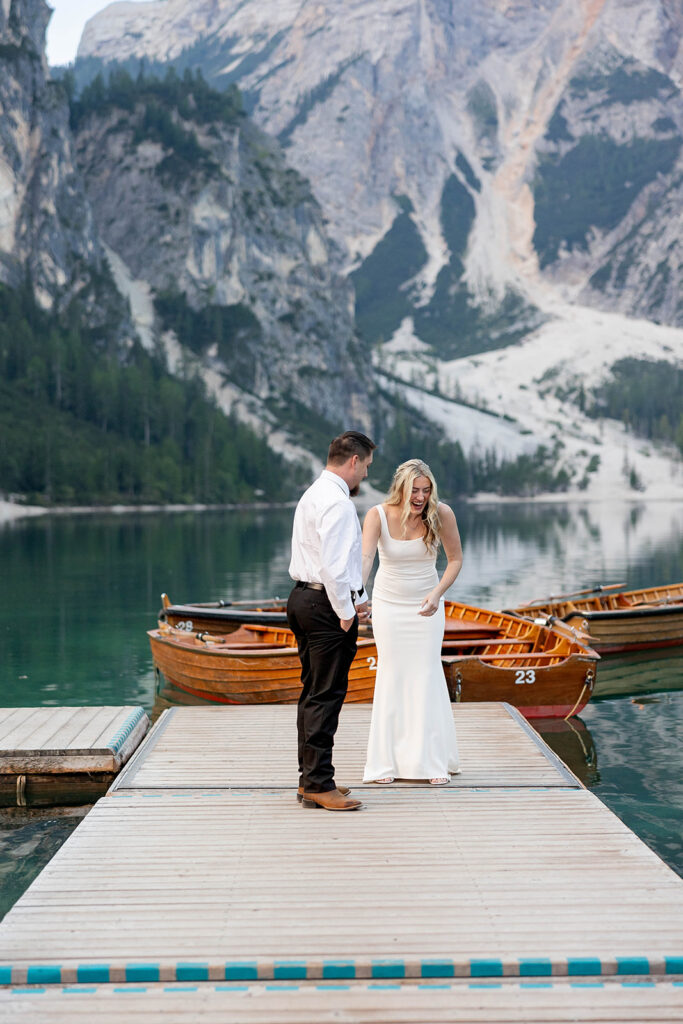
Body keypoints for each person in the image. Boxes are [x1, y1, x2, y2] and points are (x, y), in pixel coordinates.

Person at [287, 430, 377, 811]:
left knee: (312, 692)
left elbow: (334, 564)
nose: (366, 477)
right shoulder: (338, 504)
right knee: (326, 695)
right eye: (367, 467)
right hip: (326, 606)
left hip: (303, 598)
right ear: (353, 461)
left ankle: (312, 778)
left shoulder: (314, 493)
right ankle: (318, 783)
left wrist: (360, 600)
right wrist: (345, 614)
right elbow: (336, 567)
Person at [362, 459, 463, 785]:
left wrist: (437, 593)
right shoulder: (377, 514)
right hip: (388, 606)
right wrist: (358, 595)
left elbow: (456, 559)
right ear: (400, 488)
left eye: (426, 490)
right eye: (414, 490)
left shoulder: (441, 514)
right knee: (391, 675)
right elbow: (365, 559)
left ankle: (432, 762)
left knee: (425, 674)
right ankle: (385, 764)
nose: (420, 497)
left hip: (427, 607)